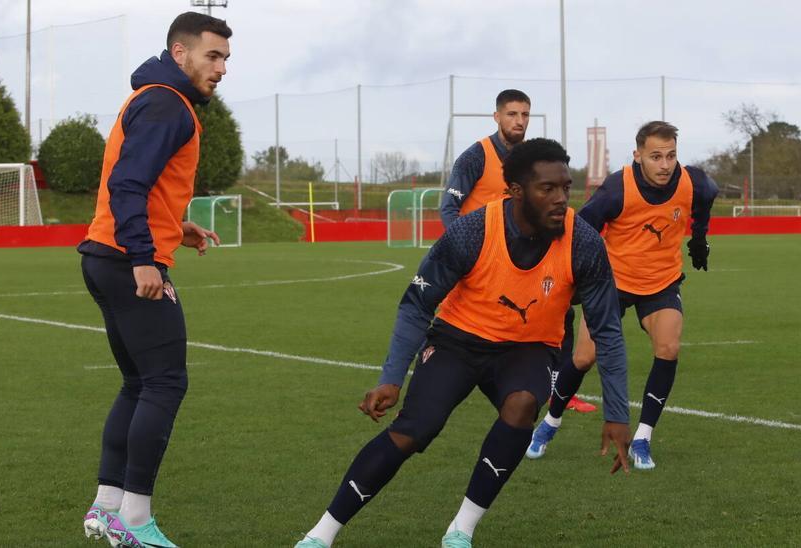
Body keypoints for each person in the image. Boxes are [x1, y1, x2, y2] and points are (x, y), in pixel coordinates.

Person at [295, 139, 631, 548]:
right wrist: (391, 378)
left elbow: (607, 330)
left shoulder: (584, 241)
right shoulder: (471, 231)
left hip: (528, 347)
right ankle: (320, 535)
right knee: (415, 430)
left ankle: (461, 530)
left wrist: (617, 412)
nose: (561, 199)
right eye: (548, 189)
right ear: (517, 191)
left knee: (523, 404)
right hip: (458, 340)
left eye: (566, 186)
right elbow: (418, 304)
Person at [77, 11, 230, 548]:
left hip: (105, 254)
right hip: (126, 259)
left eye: (226, 59)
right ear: (180, 52)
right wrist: (145, 255)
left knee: (139, 383)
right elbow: (128, 182)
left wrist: (173, 227)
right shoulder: (169, 103)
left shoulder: (154, 96)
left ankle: (106, 508)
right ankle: (135, 521)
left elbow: (141, 184)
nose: (222, 68)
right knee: (166, 382)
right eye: (213, 56)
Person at [526, 121, 718, 470]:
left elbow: (705, 202)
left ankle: (643, 438)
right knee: (584, 357)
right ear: (638, 155)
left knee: (669, 348)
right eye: (656, 156)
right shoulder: (617, 189)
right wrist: (568, 278)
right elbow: (579, 230)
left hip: (661, 282)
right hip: (611, 283)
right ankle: (550, 423)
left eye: (671, 155)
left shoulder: (695, 183)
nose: (665, 164)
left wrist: (699, 239)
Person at [440, 89, 597, 414]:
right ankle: (432, 388)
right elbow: (449, 207)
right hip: (486, 258)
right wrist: (463, 250)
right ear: (497, 116)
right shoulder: (476, 157)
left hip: (531, 253)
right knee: (474, 326)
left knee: (560, 310)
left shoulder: (532, 160)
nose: (519, 121)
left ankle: (558, 388)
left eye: (525, 114)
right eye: (512, 114)